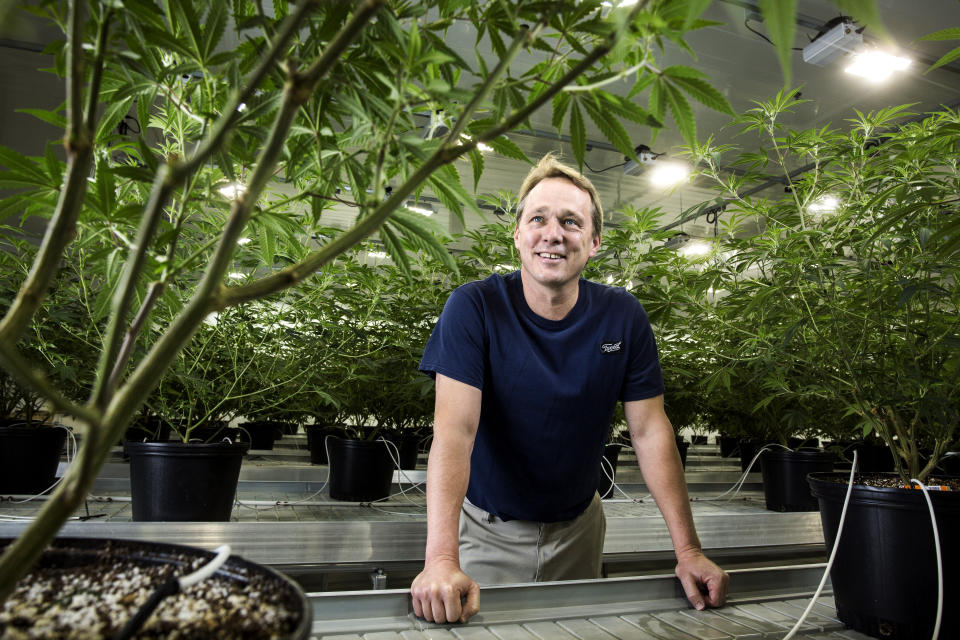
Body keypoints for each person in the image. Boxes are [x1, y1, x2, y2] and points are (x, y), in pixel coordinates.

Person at [410, 153, 728, 624]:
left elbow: (650, 431)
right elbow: (455, 432)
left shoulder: (623, 315)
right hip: (487, 530)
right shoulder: (475, 307)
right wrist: (440, 560)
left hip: (580, 529)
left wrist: (689, 550)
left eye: (571, 221)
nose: (552, 233)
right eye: (537, 218)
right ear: (517, 234)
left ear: (595, 241)